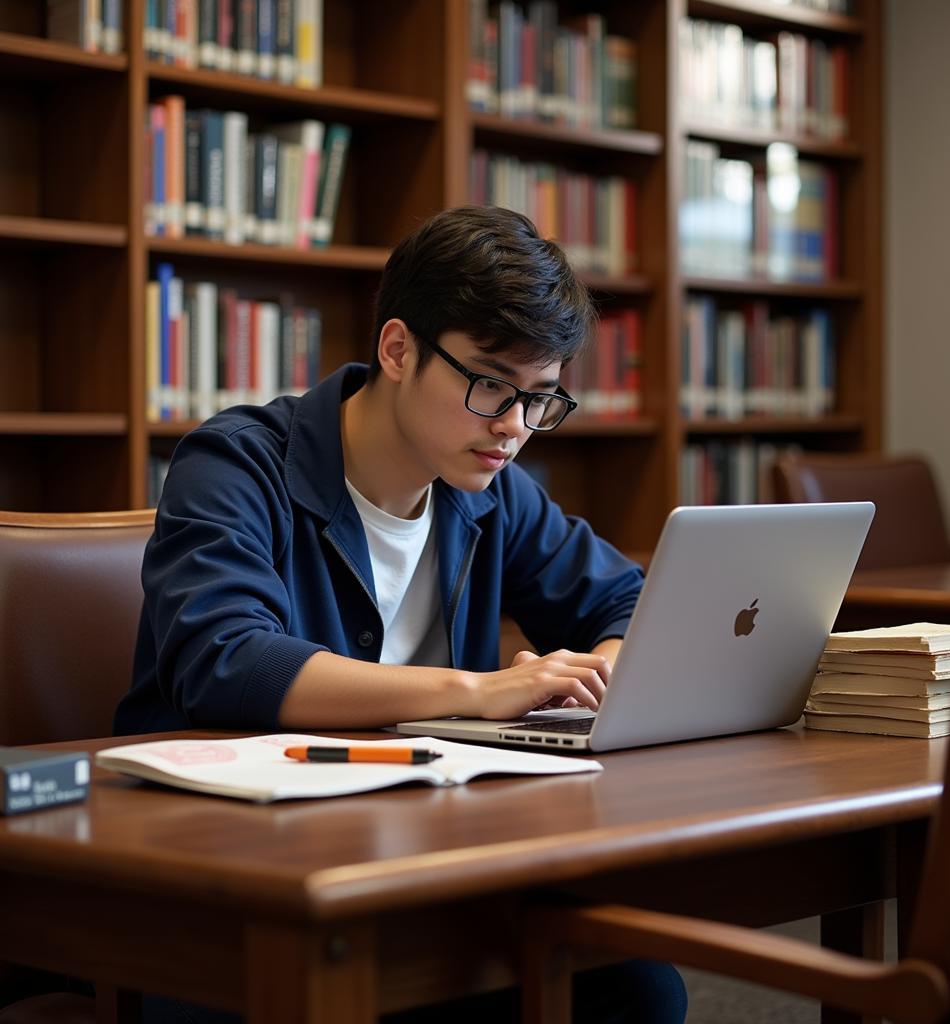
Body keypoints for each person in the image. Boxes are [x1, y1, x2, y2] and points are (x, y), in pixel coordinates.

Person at [116, 206, 687, 1023]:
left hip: (407, 856)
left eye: (540, 399)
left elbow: (627, 601)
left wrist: (603, 667)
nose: (512, 428)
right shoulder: (236, 464)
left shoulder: (491, 492)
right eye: (489, 384)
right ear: (396, 348)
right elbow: (228, 660)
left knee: (634, 989)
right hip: (223, 874)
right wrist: (473, 688)